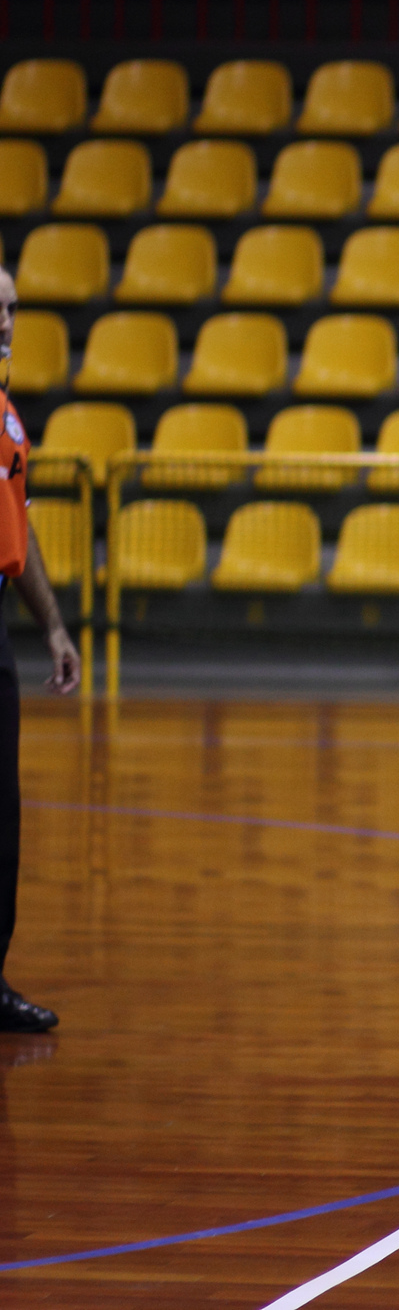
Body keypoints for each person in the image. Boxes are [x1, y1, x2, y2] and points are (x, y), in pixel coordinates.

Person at [0, 265, 82, 1032]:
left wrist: (52, 624)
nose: (5, 322)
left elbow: (17, 532)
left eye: (13, 308)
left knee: (2, 814)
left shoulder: (7, 419)